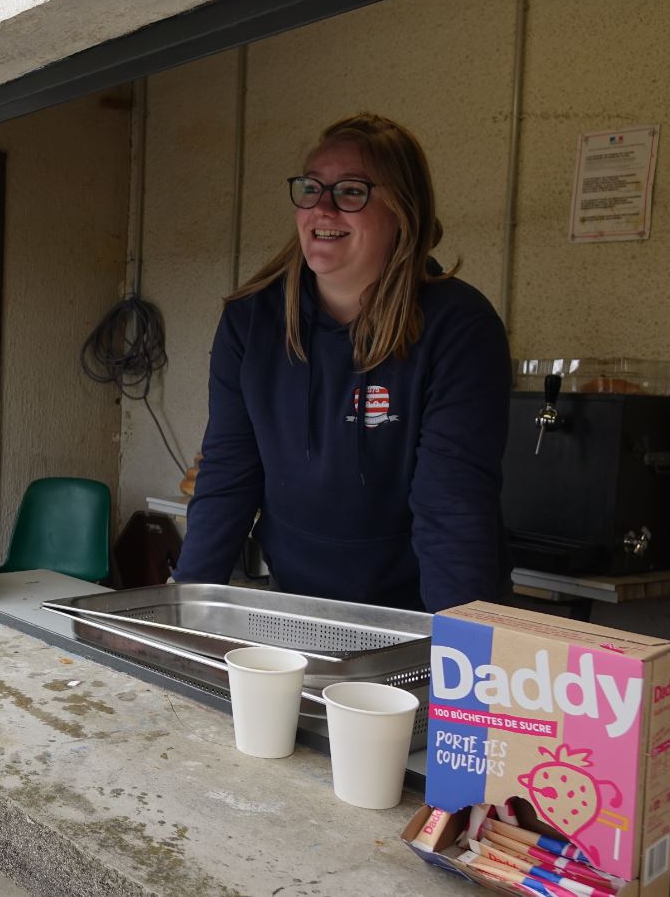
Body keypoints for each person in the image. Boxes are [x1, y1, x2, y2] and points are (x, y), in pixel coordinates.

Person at [173, 113, 512, 613]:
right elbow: (228, 477)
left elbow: (453, 508)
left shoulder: (458, 326)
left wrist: (463, 661)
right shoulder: (251, 321)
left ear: (403, 208)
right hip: (297, 604)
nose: (323, 208)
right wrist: (180, 611)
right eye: (311, 188)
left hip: (418, 610)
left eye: (351, 191)